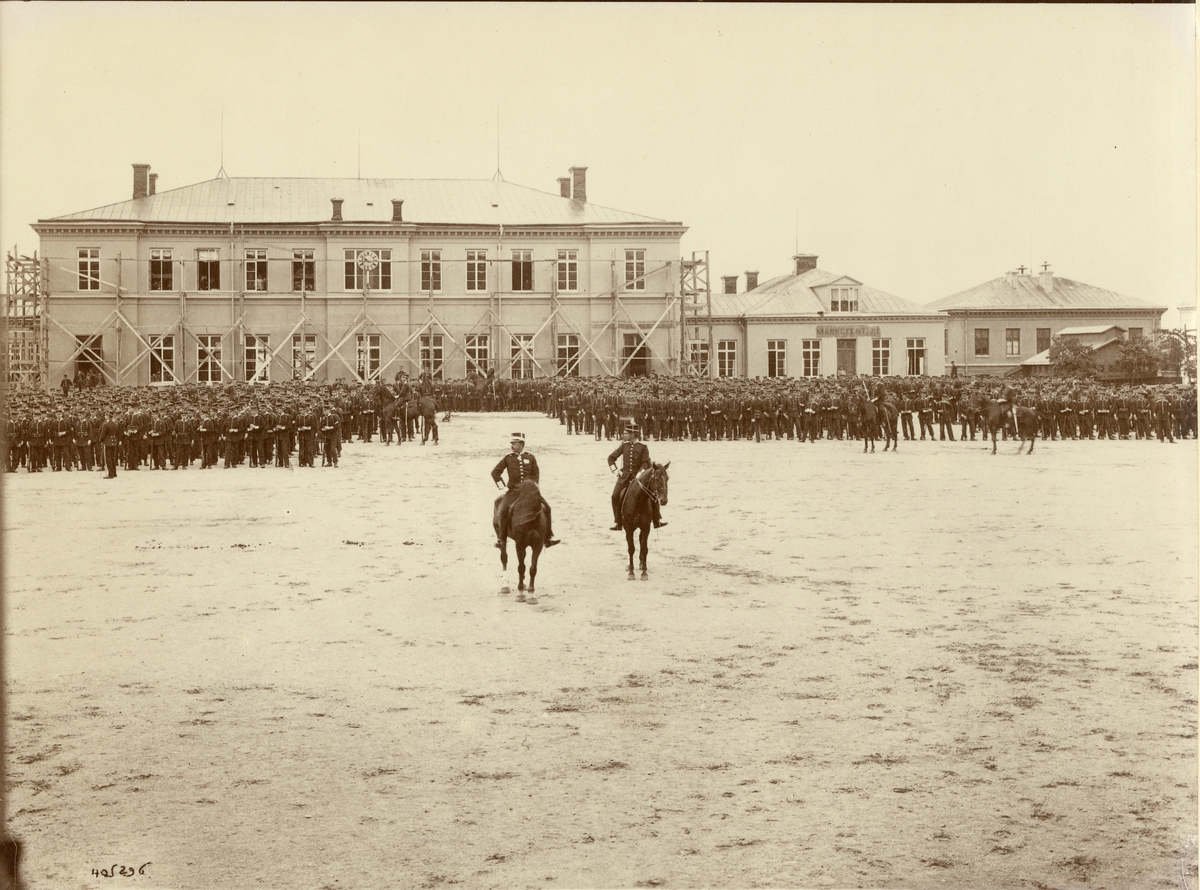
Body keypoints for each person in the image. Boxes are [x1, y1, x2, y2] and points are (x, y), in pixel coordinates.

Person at [491, 432, 559, 548]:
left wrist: (533, 486)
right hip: (513, 491)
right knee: (502, 510)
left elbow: (535, 473)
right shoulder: (508, 458)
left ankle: (547, 538)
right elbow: (495, 472)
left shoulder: (530, 457)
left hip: (529, 492)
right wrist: (503, 487)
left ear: (522, 444)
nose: (511, 446)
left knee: (547, 507)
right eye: (511, 443)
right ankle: (501, 539)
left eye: (514, 444)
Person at [608, 423, 666, 530]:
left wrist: (640, 474)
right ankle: (618, 522)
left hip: (639, 478)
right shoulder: (624, 446)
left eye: (627, 433)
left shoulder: (643, 447)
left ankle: (657, 520)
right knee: (614, 496)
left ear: (634, 434)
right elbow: (611, 458)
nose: (625, 435)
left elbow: (645, 463)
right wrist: (616, 471)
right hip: (624, 478)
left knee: (652, 494)